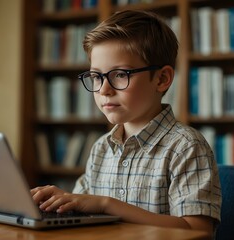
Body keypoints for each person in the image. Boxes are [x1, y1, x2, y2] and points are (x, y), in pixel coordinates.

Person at [31, 9, 221, 236]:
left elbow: (198, 231)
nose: (104, 90)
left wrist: (106, 205)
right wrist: (57, 205)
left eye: (120, 74)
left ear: (161, 79)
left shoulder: (186, 146)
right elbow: (82, 210)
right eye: (96, 76)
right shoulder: (101, 148)